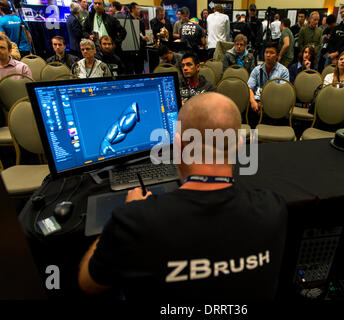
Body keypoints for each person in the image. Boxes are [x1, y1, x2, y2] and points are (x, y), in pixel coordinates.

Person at [78, 91, 288, 301]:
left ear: (178, 145)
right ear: (240, 146)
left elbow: (88, 282)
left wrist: (123, 216)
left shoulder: (134, 221)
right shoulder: (273, 209)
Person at [248, 41, 290, 115]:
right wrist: (252, 101)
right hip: (257, 102)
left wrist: (266, 104)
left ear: (277, 55)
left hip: (274, 103)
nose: (268, 55)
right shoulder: (257, 70)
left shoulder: (283, 71)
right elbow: (249, 88)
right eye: (266, 52)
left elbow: (282, 92)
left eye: (271, 53)